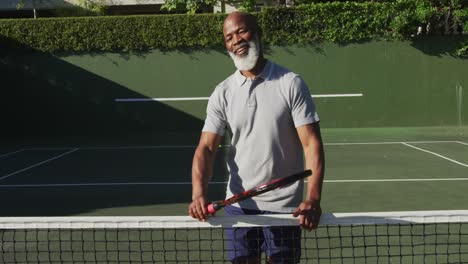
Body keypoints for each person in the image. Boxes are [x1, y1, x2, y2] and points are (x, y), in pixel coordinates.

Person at [189, 11, 325, 264]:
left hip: (284, 210)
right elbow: (206, 148)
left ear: (258, 34)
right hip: (239, 209)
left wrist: (313, 199)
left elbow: (311, 144)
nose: (236, 40)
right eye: (229, 37)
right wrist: (199, 192)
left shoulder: (290, 83)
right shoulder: (222, 93)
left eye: (241, 31)